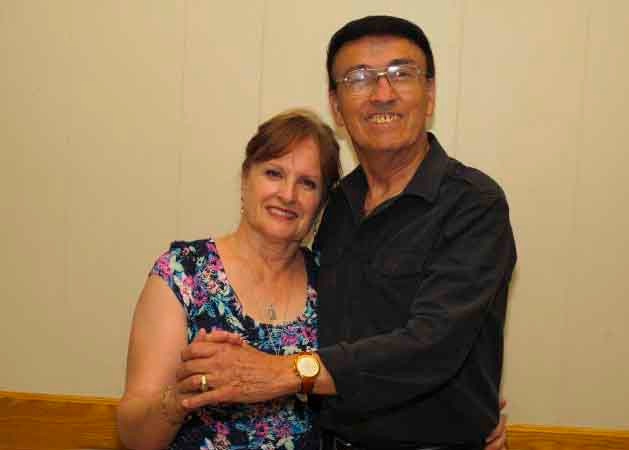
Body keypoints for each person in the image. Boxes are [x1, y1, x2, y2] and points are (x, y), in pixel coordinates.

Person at [174, 15, 517, 450]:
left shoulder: (474, 204)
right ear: (337, 107)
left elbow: (433, 346)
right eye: (359, 78)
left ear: (429, 95)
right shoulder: (334, 204)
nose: (382, 93)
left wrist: (282, 373)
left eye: (401, 73)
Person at [117, 109, 342, 450]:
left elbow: (362, 383)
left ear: (321, 203)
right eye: (274, 173)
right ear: (245, 179)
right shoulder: (183, 275)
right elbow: (134, 437)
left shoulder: (332, 282)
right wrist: (177, 400)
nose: (288, 195)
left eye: (307, 183)